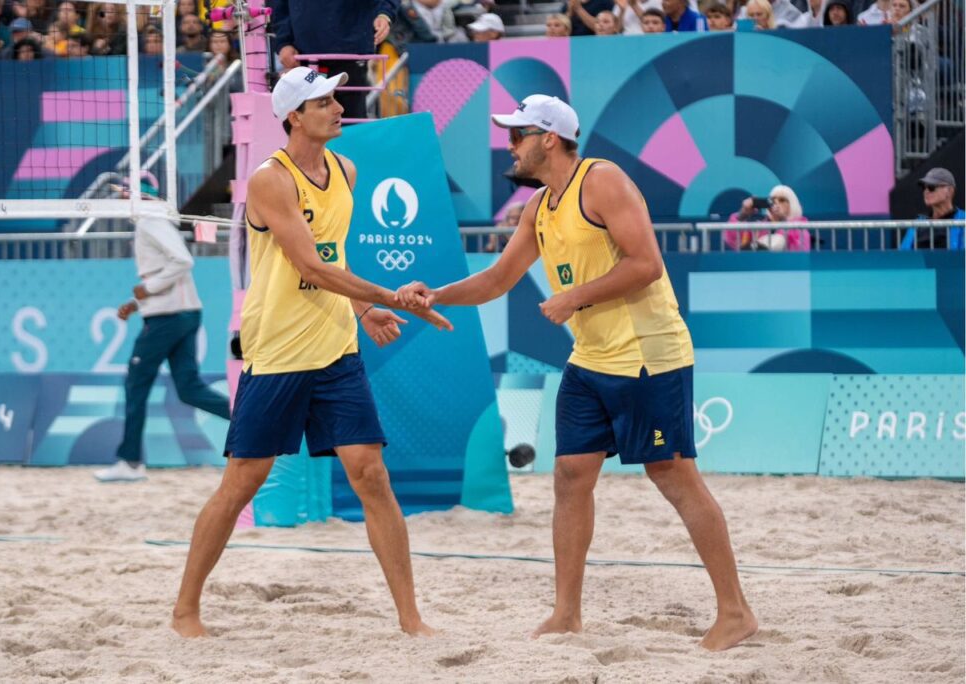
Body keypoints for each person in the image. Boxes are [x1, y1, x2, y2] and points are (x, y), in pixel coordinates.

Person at [395, 94, 757, 651]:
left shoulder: (602, 180)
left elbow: (647, 263)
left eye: (517, 134)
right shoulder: (540, 206)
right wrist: (435, 295)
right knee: (569, 477)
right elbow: (497, 279)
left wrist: (574, 298)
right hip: (591, 358)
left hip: (647, 353)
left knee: (673, 475)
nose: (508, 144)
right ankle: (566, 614)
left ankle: (735, 612)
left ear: (547, 138)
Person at [171, 66, 451, 639]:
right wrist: (391, 295)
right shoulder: (270, 180)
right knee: (242, 482)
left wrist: (364, 309)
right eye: (324, 102)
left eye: (336, 99)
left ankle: (411, 619)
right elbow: (309, 266)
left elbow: (334, 259)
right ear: (294, 116)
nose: (338, 108)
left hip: (335, 351)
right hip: (277, 354)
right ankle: (184, 611)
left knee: (372, 474)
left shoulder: (346, 170)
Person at [95, 176, 232, 483]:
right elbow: (168, 269)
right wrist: (136, 300)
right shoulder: (155, 218)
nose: (118, 199)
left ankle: (130, 462)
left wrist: (147, 288)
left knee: (136, 385)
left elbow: (183, 261)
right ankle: (254, 426)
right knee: (189, 389)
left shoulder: (149, 219)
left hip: (168, 319)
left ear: (135, 194)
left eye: (122, 193)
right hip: (181, 313)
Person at [272, 0, 395, 122]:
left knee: (350, 123)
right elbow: (279, 6)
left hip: (350, 58)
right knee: (312, 120)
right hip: (308, 60)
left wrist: (384, 14)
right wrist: (283, 42)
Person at [724, 185, 810, 251]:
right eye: (772, 200)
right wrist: (742, 216)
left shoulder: (800, 227)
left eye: (782, 200)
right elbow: (733, 242)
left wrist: (783, 221)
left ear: (792, 204)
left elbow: (800, 249)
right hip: (761, 270)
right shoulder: (759, 227)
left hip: (786, 270)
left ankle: (761, 248)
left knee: (779, 240)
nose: (776, 203)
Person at [899, 167, 964, 250]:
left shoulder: (963, 220)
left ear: (949, 191)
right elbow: (903, 255)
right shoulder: (918, 224)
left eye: (931, 187)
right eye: (924, 187)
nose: (926, 191)